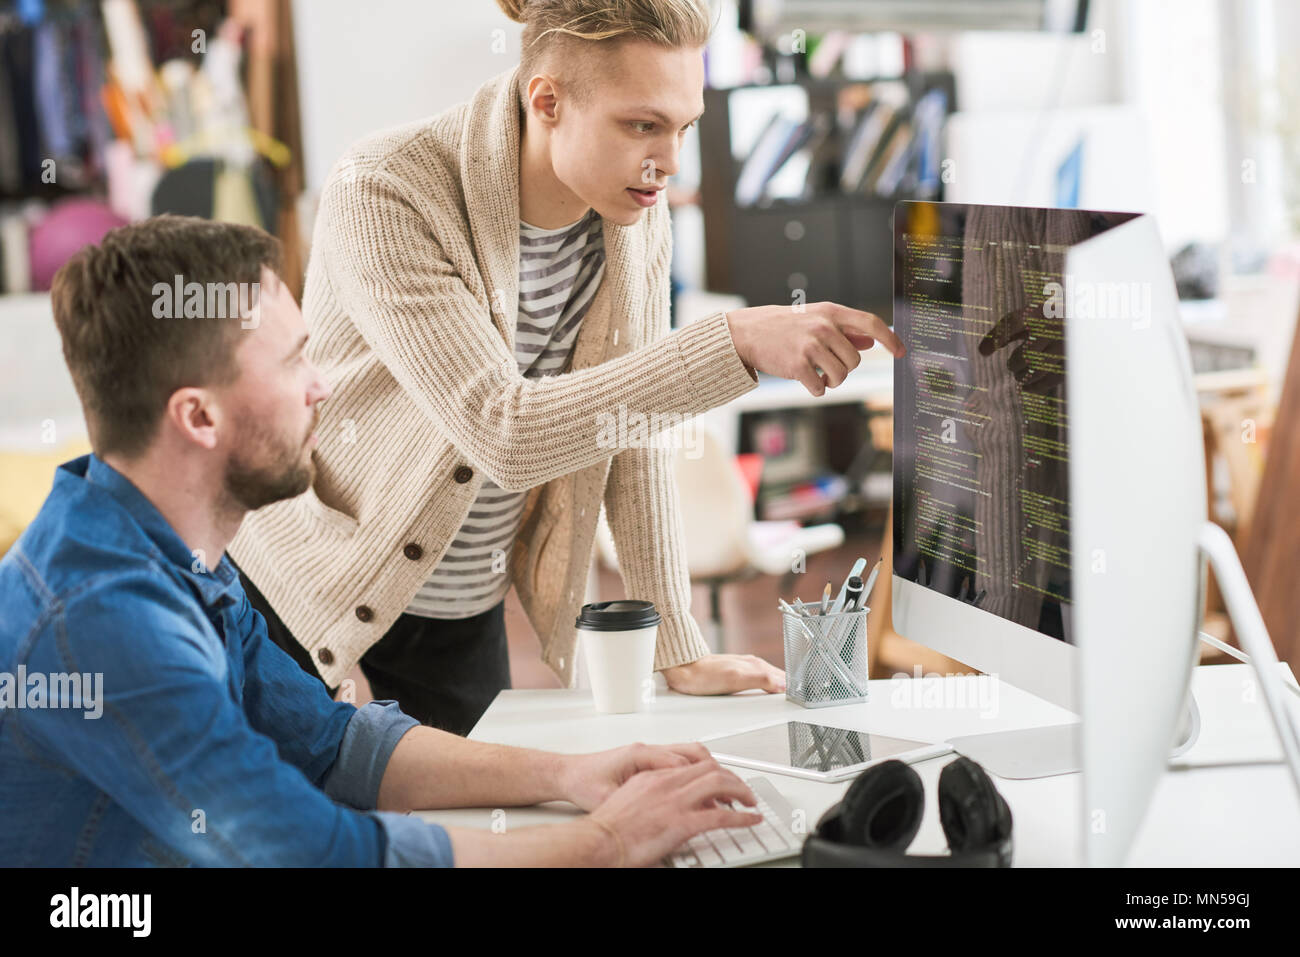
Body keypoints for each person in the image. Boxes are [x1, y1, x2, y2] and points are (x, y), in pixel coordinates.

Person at [0, 215, 770, 867]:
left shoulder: (169, 546)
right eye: (294, 360)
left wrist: (573, 775)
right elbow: (311, 850)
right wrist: (602, 841)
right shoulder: (106, 619)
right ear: (198, 418)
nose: (322, 385)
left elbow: (336, 745)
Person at [228, 0, 904, 733]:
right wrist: (733, 342)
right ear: (545, 99)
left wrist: (676, 642)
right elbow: (502, 430)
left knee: (478, 835)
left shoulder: (636, 219)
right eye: (642, 125)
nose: (669, 163)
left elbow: (635, 434)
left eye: (684, 127)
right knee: (308, 835)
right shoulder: (385, 189)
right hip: (309, 586)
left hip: (462, 607)